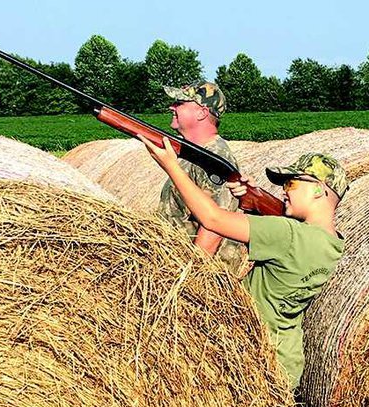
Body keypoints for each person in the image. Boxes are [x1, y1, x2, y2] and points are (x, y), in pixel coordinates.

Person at [140, 131, 347, 390]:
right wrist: (249, 199)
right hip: (284, 359)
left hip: (257, 359)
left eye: (291, 184)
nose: (284, 191)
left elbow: (213, 219)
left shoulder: (287, 234)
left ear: (318, 189)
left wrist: (171, 165)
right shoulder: (332, 241)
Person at [158, 80, 243, 270]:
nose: (172, 106)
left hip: (202, 272)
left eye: (180, 103)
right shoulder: (196, 153)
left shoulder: (216, 157)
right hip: (177, 262)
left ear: (202, 113)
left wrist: (189, 276)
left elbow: (215, 225)